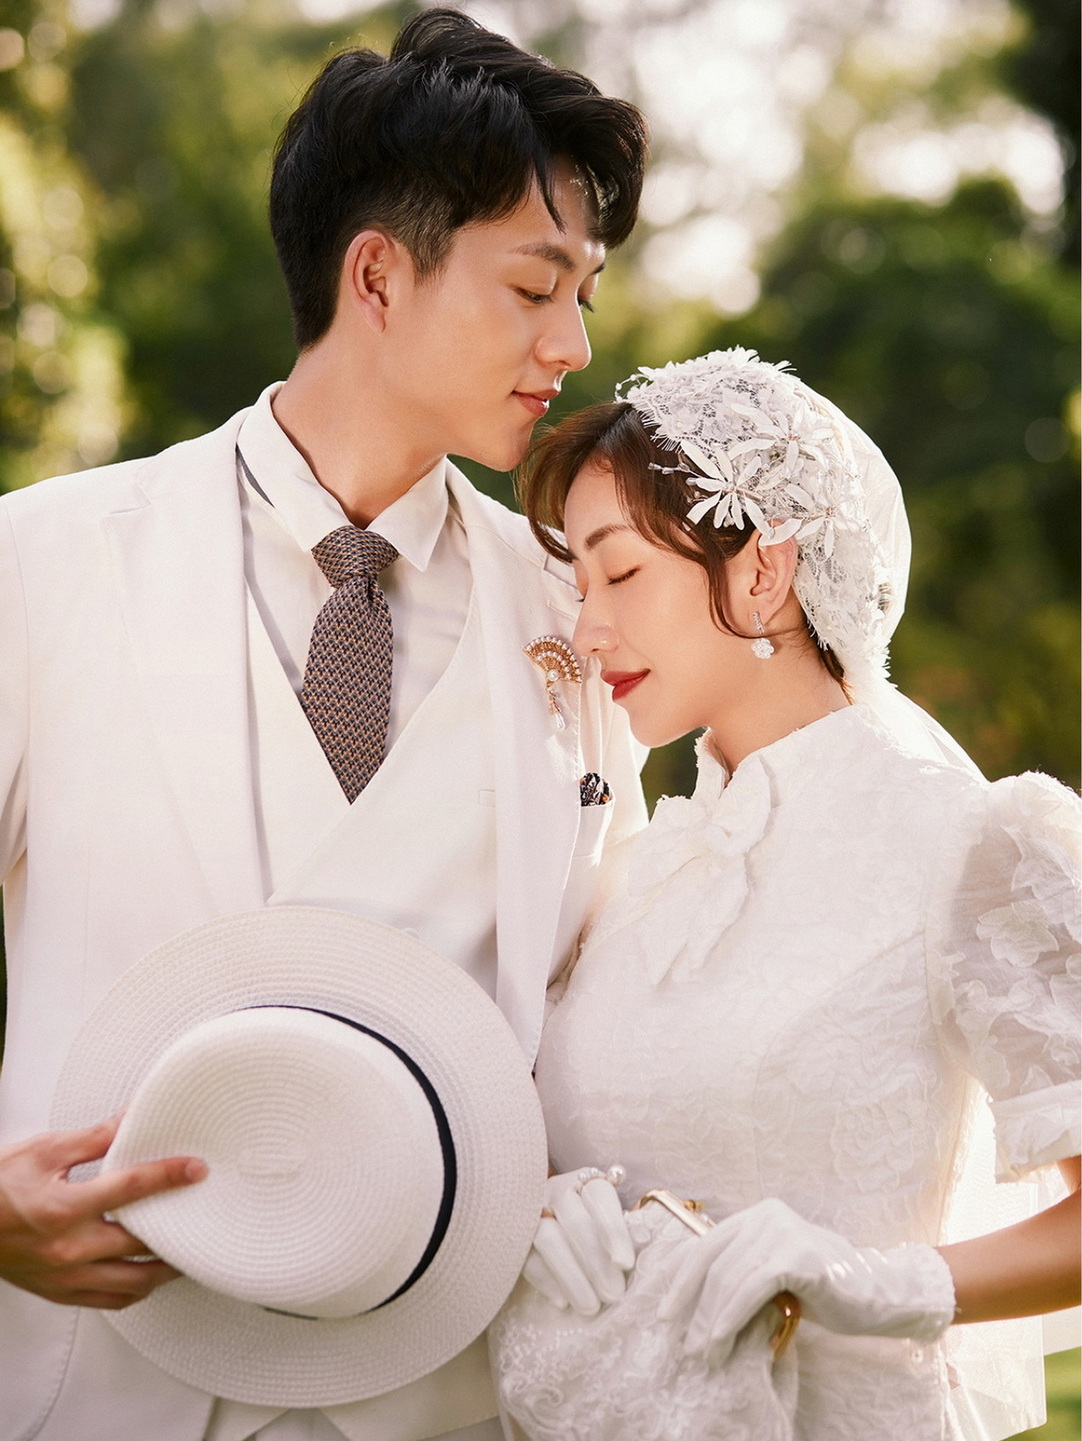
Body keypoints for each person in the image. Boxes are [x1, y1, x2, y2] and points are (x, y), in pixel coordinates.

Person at [0, 12, 648, 1441]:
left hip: (443, 1390)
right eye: (534, 287)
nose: (573, 343)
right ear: (375, 276)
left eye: (584, 294)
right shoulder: (38, 562)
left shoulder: (581, 612)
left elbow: (606, 1003)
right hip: (101, 1379)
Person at [499, 347, 1080, 1440]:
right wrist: (541, 1192)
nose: (586, 629)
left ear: (763, 571)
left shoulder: (975, 842)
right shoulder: (634, 870)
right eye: (578, 586)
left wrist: (871, 1281)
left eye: (620, 574)